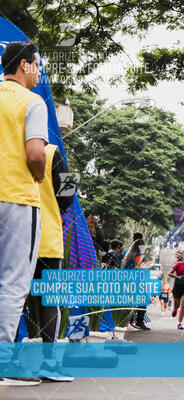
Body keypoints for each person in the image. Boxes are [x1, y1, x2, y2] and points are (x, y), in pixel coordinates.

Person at [0, 40, 47, 386]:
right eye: (37, 64)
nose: (40, 71)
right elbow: (35, 154)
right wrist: (41, 175)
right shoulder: (33, 102)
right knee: (13, 284)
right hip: (16, 200)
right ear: (24, 65)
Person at [23, 144, 74, 382]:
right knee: (50, 301)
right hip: (46, 237)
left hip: (12, 239)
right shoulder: (52, 153)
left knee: (12, 298)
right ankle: (48, 363)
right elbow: (67, 196)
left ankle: (9, 362)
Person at [122, 234, 150, 330]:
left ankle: (125, 320)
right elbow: (142, 269)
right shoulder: (139, 255)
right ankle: (139, 321)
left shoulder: (127, 252)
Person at [168, 250, 184, 329]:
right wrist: (178, 277)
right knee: (177, 305)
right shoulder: (178, 264)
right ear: (182, 256)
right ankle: (175, 309)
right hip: (178, 286)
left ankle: (179, 323)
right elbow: (170, 273)